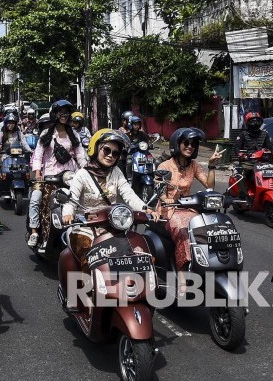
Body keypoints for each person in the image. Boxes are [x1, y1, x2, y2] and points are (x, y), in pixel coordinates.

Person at [62, 129, 148, 262]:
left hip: (112, 225)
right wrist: (68, 214)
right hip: (85, 227)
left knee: (135, 253)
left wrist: (145, 208)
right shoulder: (82, 174)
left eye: (115, 153)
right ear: (96, 149)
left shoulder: (116, 172)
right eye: (106, 150)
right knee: (90, 259)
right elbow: (71, 200)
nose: (110, 156)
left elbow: (129, 195)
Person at [156, 128, 222, 289]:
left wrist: (212, 166)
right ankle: (183, 274)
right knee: (184, 230)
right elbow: (159, 191)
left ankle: (206, 266)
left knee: (210, 227)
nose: (190, 146)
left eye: (193, 144)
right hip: (169, 210)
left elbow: (209, 185)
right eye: (186, 143)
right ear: (177, 144)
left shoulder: (193, 165)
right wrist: (167, 200)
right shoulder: (165, 165)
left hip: (189, 208)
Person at [28, 99, 87, 247]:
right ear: (55, 114)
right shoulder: (46, 133)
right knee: (36, 199)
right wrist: (37, 173)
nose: (64, 115)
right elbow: (38, 155)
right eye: (61, 112)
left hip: (69, 176)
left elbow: (80, 155)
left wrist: (87, 172)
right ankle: (35, 232)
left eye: (67, 113)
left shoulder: (74, 134)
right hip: (48, 177)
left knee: (81, 203)